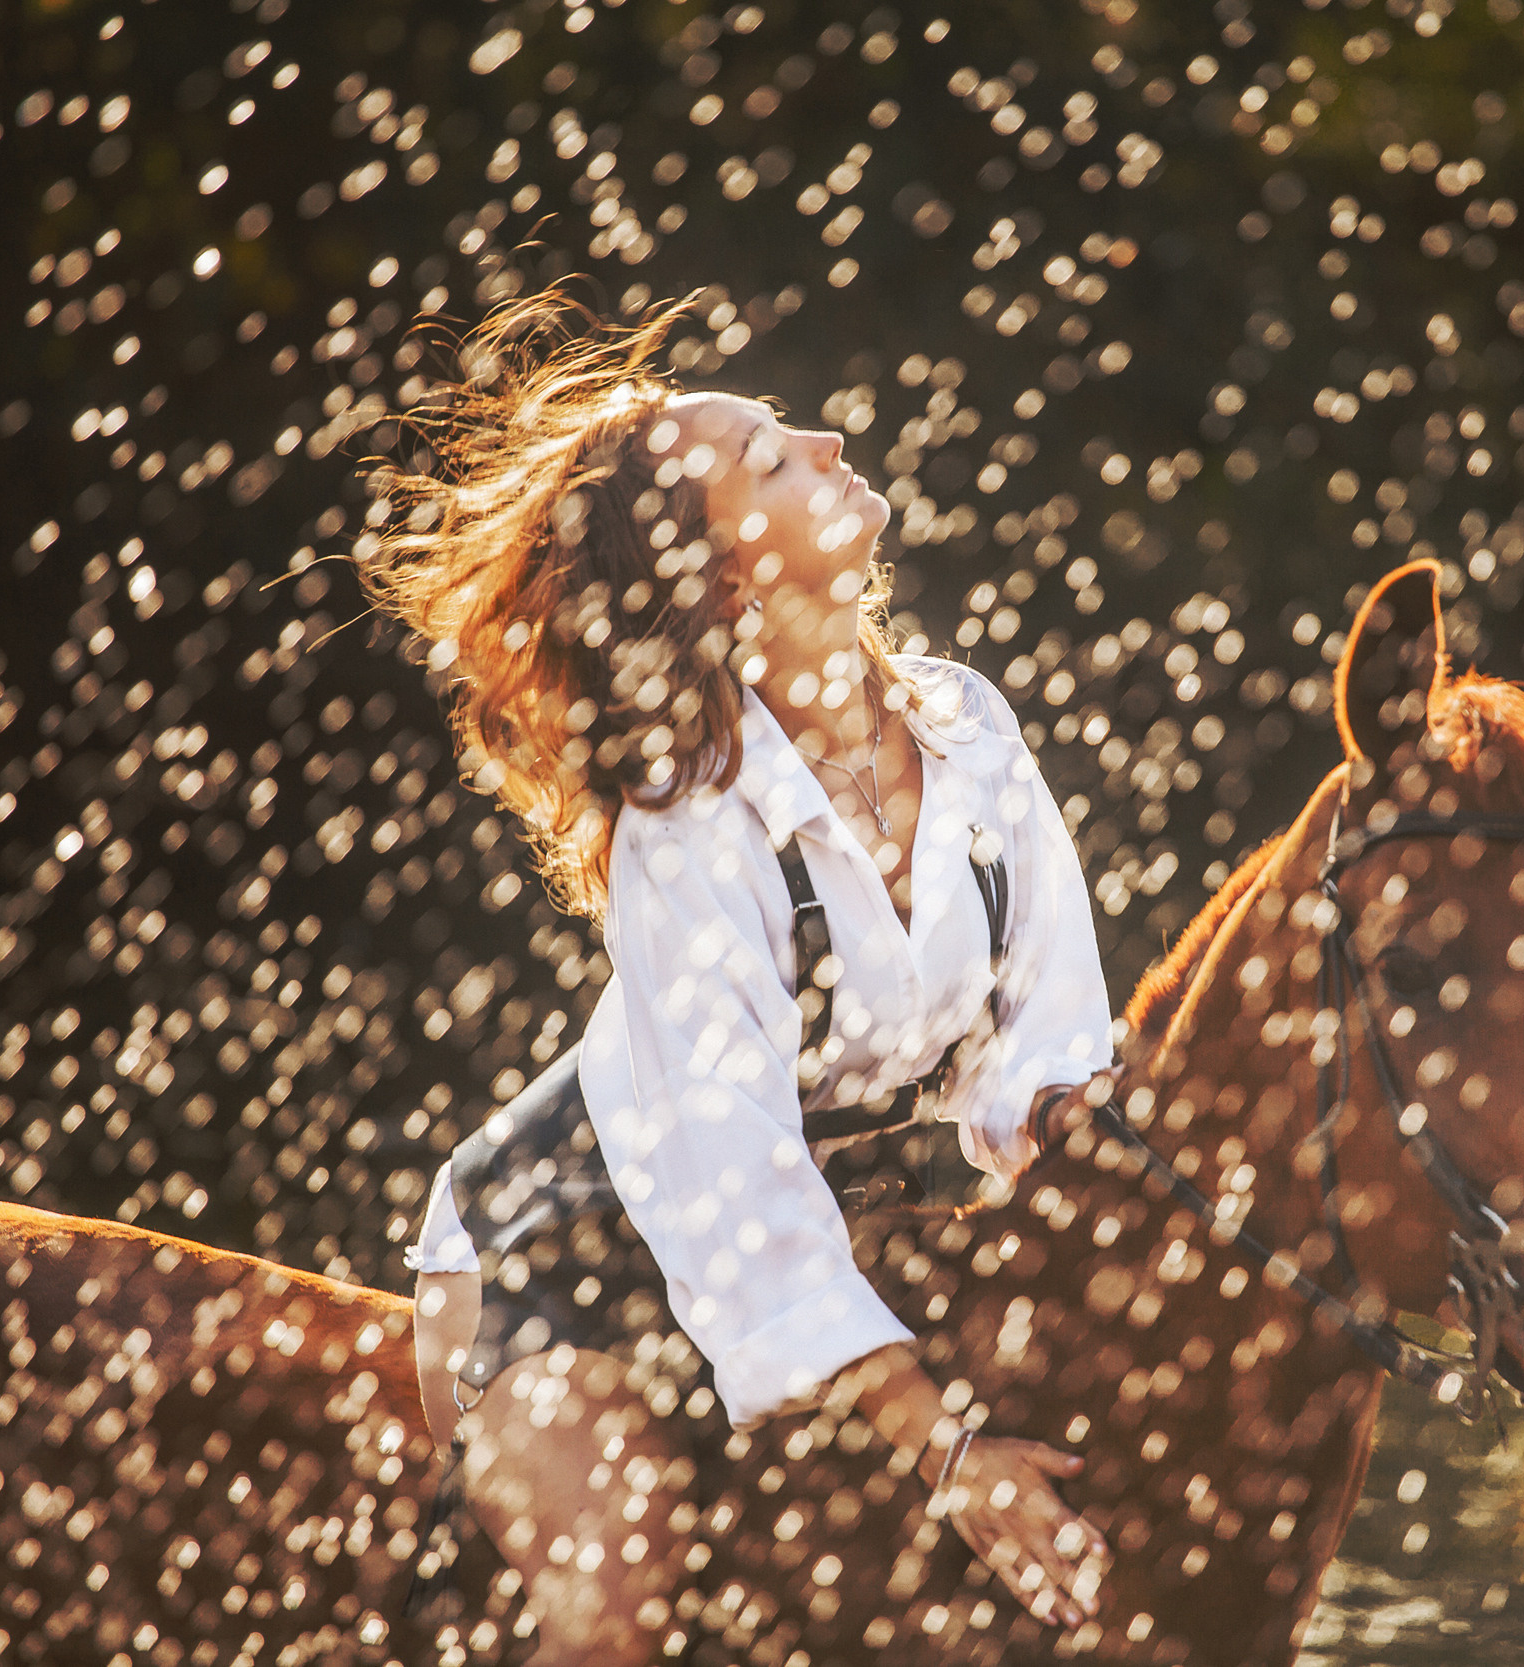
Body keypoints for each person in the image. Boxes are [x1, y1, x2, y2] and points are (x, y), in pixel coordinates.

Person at [361, 294, 1115, 1660]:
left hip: (859, 1214)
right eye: (774, 459)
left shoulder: (972, 725)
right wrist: (948, 1451)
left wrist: (1070, 1123)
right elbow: (745, 1200)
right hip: (568, 1262)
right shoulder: (691, 829)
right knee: (614, 1606)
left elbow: (1049, 1038)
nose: (828, 438)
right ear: (723, 579)